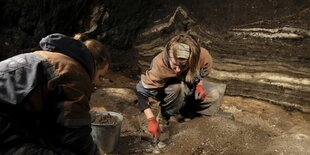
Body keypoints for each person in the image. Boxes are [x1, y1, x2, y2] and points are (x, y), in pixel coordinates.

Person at [0, 33, 109, 155]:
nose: (97, 82)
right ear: (94, 63)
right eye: (100, 76)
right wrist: (95, 151)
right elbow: (75, 135)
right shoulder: (75, 71)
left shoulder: (47, 55)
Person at [136, 33, 223, 139]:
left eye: (183, 66)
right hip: (170, 92)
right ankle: (166, 115)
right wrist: (151, 119)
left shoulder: (201, 56)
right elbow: (141, 91)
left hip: (190, 86)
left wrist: (199, 84)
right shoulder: (159, 65)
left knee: (214, 94)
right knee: (178, 87)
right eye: (174, 65)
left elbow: (204, 67)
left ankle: (185, 111)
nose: (177, 70)